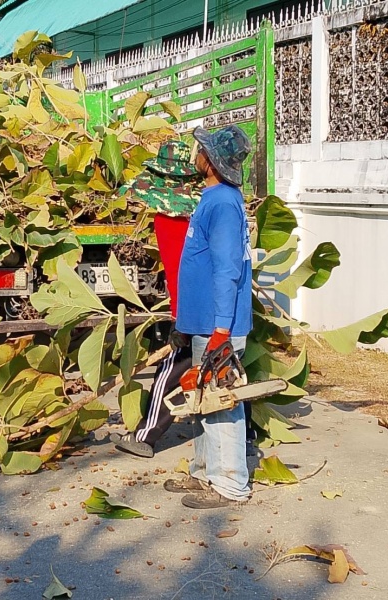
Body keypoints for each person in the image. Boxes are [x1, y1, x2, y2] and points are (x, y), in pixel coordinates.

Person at [163, 124, 254, 509]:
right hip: (204, 323)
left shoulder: (222, 204)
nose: (196, 154)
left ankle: (231, 485)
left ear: (212, 162)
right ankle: (204, 473)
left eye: (202, 150)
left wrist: (220, 329)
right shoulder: (213, 198)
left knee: (221, 401)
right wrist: (186, 324)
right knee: (202, 399)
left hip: (219, 326)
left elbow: (227, 269)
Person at [110, 140, 202, 458]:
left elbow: (181, 274)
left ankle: (145, 437)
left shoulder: (165, 222)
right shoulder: (202, 215)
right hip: (213, 303)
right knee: (224, 370)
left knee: (169, 372)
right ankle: (245, 434)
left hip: (191, 308)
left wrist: (182, 318)